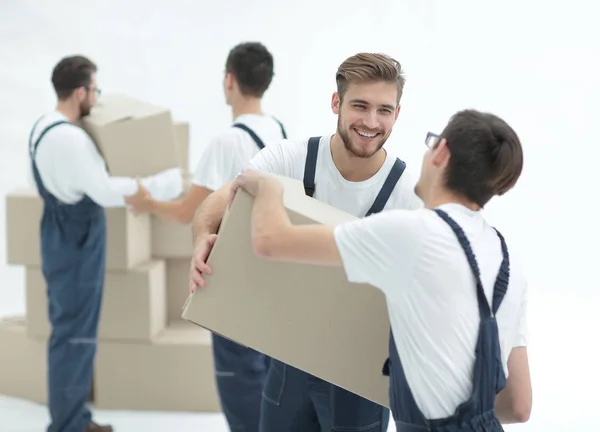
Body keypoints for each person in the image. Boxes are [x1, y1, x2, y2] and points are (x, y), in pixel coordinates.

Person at [230, 109, 533, 431]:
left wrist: (268, 188)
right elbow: (518, 405)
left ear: (441, 152)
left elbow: (272, 241)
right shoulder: (509, 267)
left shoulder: (412, 234)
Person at [190, 52, 423, 432]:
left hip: (360, 377)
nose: (370, 122)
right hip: (287, 364)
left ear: (397, 114)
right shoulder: (290, 159)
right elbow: (215, 203)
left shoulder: (407, 195)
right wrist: (203, 236)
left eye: (384, 110)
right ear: (336, 103)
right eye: (359, 106)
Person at [125, 42, 287, 432]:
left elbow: (188, 212)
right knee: (268, 379)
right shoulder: (279, 130)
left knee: (239, 381)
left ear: (229, 80)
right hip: (274, 273)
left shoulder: (226, 141)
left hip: (236, 277)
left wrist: (148, 204)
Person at [29, 55, 183, 432]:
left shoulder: (41, 127)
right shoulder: (71, 140)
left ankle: (74, 418)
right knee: (75, 333)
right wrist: (163, 185)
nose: (96, 99)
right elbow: (105, 191)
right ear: (80, 92)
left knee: (67, 328)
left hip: (55, 228)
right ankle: (67, 425)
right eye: (95, 91)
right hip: (78, 238)